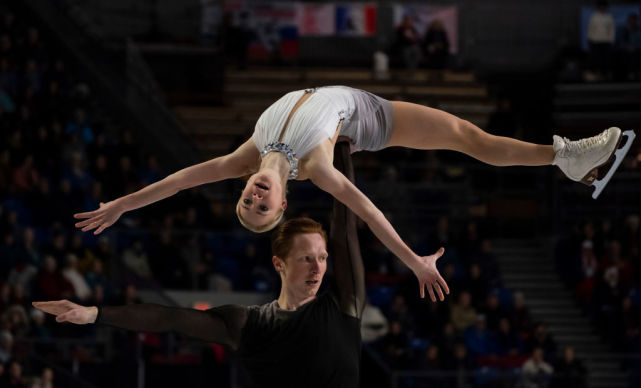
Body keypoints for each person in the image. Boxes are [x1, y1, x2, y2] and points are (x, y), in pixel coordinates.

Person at [73, 86, 631, 301]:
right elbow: (367, 210)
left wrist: (121, 204)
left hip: (341, 96)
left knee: (471, 139)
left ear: (244, 187)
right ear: (283, 203)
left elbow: (180, 180)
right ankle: (565, 155)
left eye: (248, 200)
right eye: (263, 206)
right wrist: (413, 261)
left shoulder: (246, 156)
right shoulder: (315, 168)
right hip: (368, 117)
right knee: (470, 139)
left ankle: (567, 161)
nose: (255, 197)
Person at [35, 143, 434, 387]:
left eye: (322, 258)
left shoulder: (344, 305)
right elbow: (168, 319)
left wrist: (341, 145)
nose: (318, 268)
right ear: (278, 264)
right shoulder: (249, 324)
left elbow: (345, 224)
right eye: (306, 259)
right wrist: (92, 314)